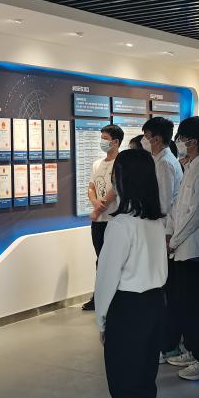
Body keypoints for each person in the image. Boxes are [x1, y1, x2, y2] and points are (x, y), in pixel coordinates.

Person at [96, 148, 182, 398]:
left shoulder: (120, 225)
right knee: (144, 383)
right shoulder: (155, 220)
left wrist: (102, 321)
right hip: (155, 304)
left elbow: (107, 279)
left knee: (124, 386)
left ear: (121, 179)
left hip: (127, 308)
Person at [166, 117, 199, 381]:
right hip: (185, 248)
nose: (178, 142)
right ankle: (195, 351)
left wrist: (173, 240)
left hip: (198, 248)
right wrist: (172, 235)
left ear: (193, 141)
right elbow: (179, 208)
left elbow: (197, 214)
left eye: (181, 138)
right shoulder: (192, 166)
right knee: (188, 305)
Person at [142, 117, 185, 362]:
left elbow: (164, 203)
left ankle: (169, 344)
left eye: (146, 137)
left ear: (156, 139)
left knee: (167, 294)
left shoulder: (165, 164)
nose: (144, 142)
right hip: (161, 231)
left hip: (164, 232)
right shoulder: (160, 161)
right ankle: (166, 342)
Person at [84, 124, 124, 311]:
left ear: (115, 142)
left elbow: (115, 189)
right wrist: (95, 203)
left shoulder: (122, 162)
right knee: (100, 258)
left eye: (105, 138)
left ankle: (115, 297)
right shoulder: (97, 164)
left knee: (113, 260)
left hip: (114, 219)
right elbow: (91, 187)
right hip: (99, 221)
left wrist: (101, 207)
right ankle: (99, 296)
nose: (102, 141)